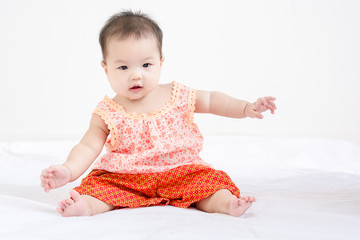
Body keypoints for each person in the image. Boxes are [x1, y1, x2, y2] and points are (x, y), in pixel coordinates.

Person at [40, 10, 276, 217]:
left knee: (209, 183)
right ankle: (87, 206)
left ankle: (227, 204)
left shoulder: (178, 95)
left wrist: (246, 108)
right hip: (126, 178)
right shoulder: (107, 112)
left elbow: (213, 100)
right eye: (123, 67)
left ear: (160, 63)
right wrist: (69, 169)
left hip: (182, 171)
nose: (136, 75)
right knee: (101, 187)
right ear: (106, 68)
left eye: (146, 65)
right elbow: (88, 147)